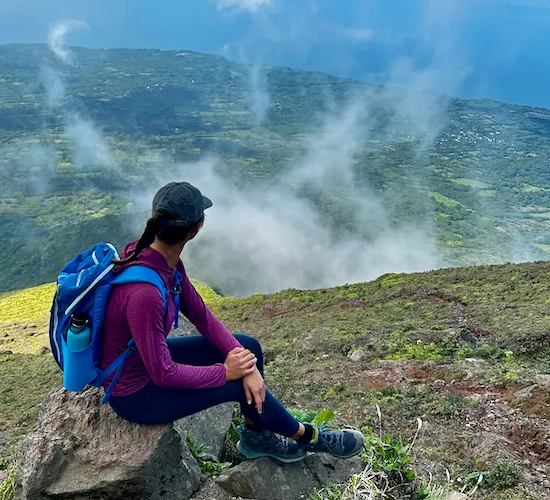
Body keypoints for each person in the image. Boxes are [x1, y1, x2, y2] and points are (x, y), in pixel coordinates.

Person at [101, 181, 364, 463]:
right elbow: (162, 374)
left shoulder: (160, 259)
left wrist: (242, 362)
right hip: (136, 395)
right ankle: (308, 436)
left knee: (248, 347)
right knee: (239, 383)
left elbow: (201, 315)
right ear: (195, 229)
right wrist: (226, 372)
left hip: (141, 361)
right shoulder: (144, 294)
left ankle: (256, 436)